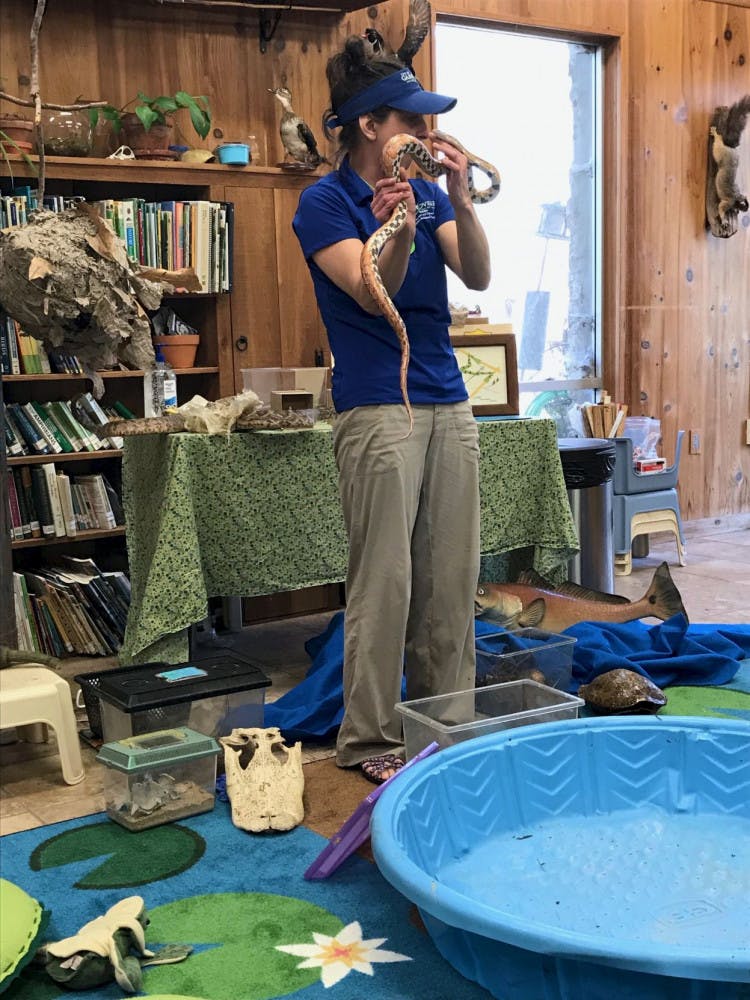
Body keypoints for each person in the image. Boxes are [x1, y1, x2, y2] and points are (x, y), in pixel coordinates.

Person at [292, 37, 491, 784]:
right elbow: (374, 292)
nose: (425, 129)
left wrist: (458, 199)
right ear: (370, 125)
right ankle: (370, 738)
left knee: (450, 579)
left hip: (449, 401)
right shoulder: (323, 204)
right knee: (385, 581)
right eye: (410, 118)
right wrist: (398, 231)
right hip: (378, 406)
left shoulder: (429, 191)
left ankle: (444, 727)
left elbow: (476, 273)